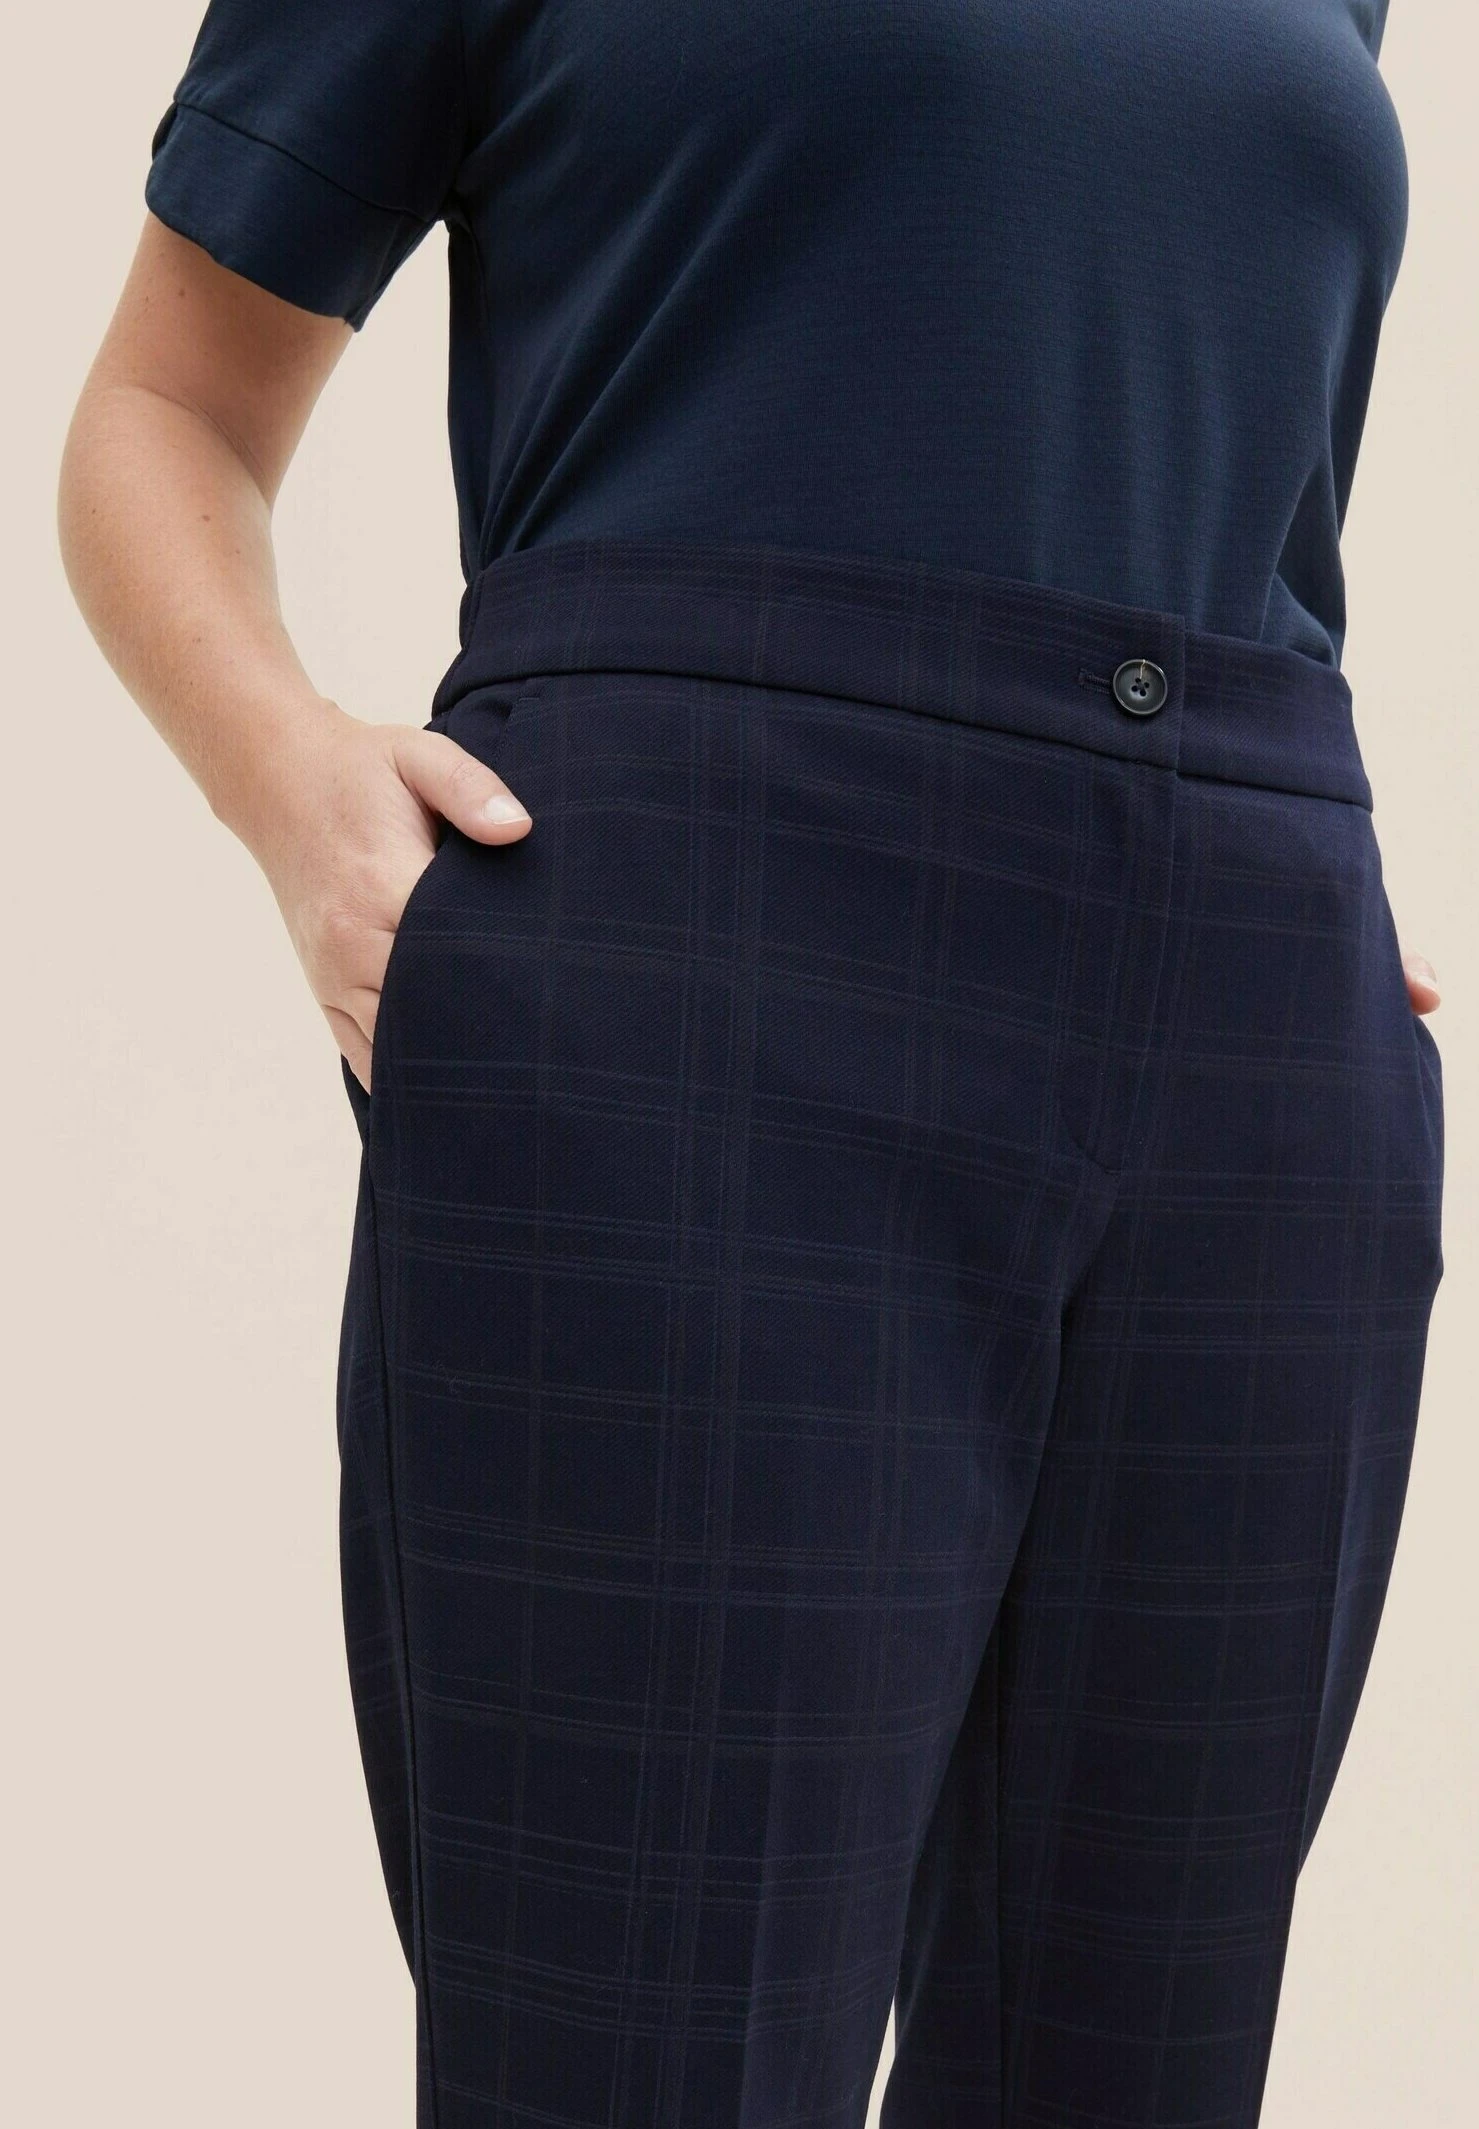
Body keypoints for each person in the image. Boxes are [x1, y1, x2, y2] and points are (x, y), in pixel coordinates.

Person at [57, 3, 1445, 2123]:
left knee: (1139, 2067)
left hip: (1249, 1063)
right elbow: (168, 404)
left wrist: (1254, 861)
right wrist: (292, 792)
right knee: (643, 2051)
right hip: (698, 973)